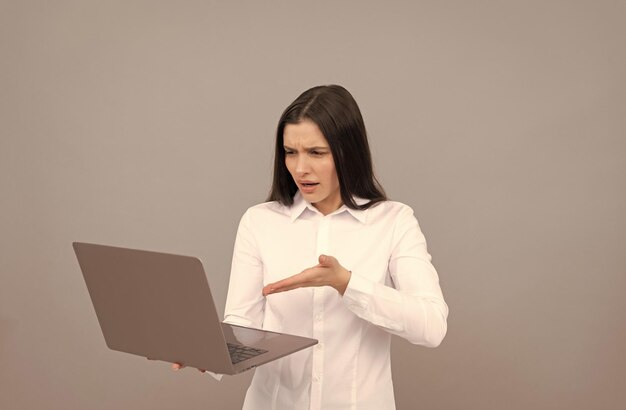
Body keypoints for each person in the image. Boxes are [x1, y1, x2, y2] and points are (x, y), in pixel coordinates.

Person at [176, 85, 448, 409]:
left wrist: (346, 283)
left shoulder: (394, 221)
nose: (300, 168)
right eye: (291, 152)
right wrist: (211, 353)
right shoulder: (259, 222)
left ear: (348, 153)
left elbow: (432, 326)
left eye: (316, 153)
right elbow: (243, 324)